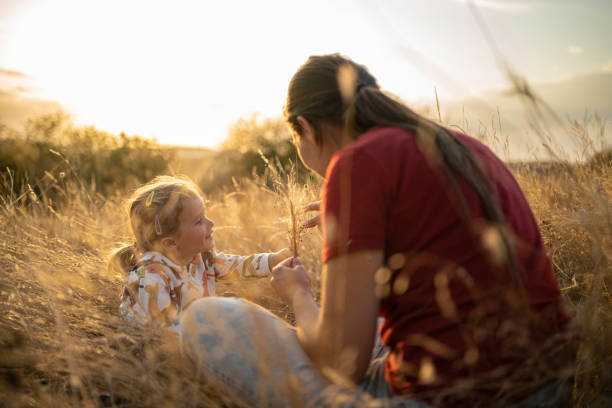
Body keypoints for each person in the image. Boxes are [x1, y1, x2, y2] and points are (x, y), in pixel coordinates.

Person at [180, 54, 578, 407]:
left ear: (306, 127)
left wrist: (298, 293)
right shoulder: (462, 144)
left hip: (447, 398)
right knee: (372, 323)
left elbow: (343, 364)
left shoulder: (357, 162)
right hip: (549, 386)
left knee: (205, 319)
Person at [109, 175, 291, 333]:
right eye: (198, 221)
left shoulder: (200, 257)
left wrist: (272, 260)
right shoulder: (150, 277)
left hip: (197, 337)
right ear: (171, 243)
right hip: (157, 354)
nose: (211, 223)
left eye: (205, 216)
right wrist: (217, 336)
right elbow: (162, 332)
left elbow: (236, 265)